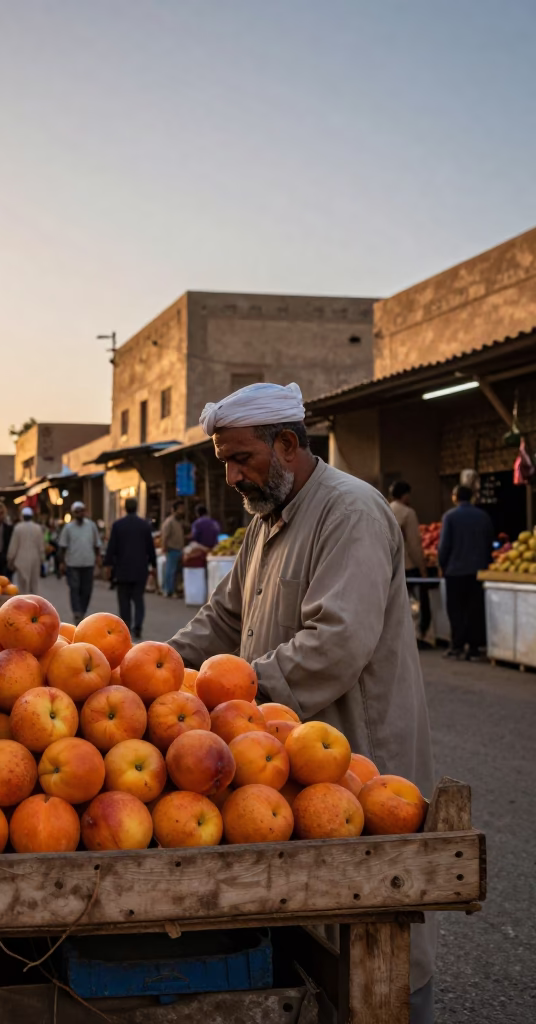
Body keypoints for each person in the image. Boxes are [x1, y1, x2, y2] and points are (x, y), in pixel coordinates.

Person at [166, 381, 435, 1020]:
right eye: (223, 461)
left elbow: (335, 644)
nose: (230, 476)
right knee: (312, 924)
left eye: (241, 459)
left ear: (287, 444)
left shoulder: (351, 514)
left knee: (377, 934)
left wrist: (234, 698)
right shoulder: (265, 521)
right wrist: (147, 671)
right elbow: (220, 621)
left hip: (359, 754)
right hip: (288, 755)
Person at [438, 485, 494, 660]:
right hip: (477, 571)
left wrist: (442, 564)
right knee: (474, 609)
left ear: (455, 497)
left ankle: (457, 645)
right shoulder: (483, 516)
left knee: (456, 610)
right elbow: (489, 542)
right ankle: (474, 648)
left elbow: (444, 545)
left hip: (455, 571)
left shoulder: (450, 517)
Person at [104, 498, 156, 639]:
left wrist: (108, 565)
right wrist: (154, 565)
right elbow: (150, 548)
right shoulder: (144, 526)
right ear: (136, 507)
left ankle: (126, 627)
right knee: (138, 599)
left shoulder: (118, 525)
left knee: (124, 600)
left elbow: (111, 548)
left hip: (123, 569)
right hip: (140, 569)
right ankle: (137, 627)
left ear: (125, 508)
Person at [390, 481, 431, 642]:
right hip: (407, 566)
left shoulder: (384, 509)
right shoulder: (408, 513)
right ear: (405, 495)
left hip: (389, 565)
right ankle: (416, 636)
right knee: (414, 603)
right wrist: (422, 568)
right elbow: (414, 544)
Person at [58, 502, 103, 622]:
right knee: (74, 588)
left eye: (82, 511)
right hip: (73, 563)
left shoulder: (91, 526)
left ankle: (82, 610)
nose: (80, 513)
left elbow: (96, 544)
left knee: (87, 589)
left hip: (88, 563)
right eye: (77, 511)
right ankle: (77, 612)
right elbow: (63, 546)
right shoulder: (68, 528)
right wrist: (62, 563)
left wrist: (98, 557)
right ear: (73, 513)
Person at [7, 506, 45, 594]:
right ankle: (35, 605)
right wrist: (42, 559)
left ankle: (25, 605)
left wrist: (10, 559)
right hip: (35, 559)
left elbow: (13, 546)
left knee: (23, 586)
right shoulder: (38, 528)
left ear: (22, 516)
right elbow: (41, 546)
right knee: (34, 584)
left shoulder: (18, 528)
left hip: (21, 560)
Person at [160, 500, 186, 597]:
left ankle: (174, 590)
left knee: (176, 572)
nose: (182, 511)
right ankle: (168, 591)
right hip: (172, 550)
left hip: (179, 549)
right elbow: (165, 537)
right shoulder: (169, 522)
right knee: (170, 571)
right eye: (180, 509)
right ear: (173, 510)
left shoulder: (179, 522)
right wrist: (164, 548)